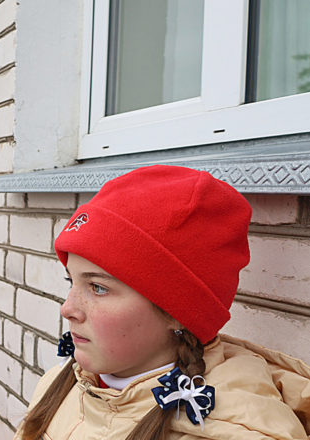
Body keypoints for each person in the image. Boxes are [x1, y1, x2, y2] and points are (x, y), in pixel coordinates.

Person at [15, 165, 310, 439]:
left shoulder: (232, 429)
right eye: (72, 281)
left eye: (97, 287)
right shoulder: (66, 382)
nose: (68, 309)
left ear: (177, 312)